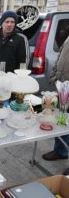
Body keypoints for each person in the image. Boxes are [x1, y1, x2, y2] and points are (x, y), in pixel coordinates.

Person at [43, 35, 69, 175]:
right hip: (63, 88)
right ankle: (61, 151)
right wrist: (54, 75)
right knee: (62, 122)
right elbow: (60, 55)